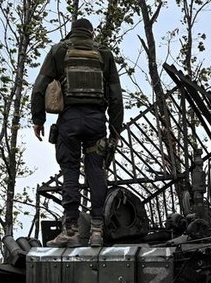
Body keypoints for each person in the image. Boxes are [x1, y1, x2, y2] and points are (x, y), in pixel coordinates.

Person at [31, 17, 124, 248]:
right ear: (91, 33)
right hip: (96, 122)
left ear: (72, 33)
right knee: (96, 171)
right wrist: (115, 129)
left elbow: (39, 87)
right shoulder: (104, 54)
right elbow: (115, 95)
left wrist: (38, 119)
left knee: (70, 170)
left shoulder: (59, 51)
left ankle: (70, 231)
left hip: (69, 122)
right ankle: (96, 231)